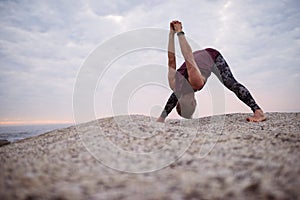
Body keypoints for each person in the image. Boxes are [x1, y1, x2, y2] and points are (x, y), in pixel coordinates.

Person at [157, 20, 266, 123]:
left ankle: (258, 112)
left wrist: (180, 33)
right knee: (180, 90)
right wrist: (171, 34)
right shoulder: (174, 86)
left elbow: (188, 58)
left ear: (193, 102)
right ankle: (162, 118)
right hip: (198, 56)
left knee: (230, 83)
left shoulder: (195, 83)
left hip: (212, 56)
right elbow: (171, 60)